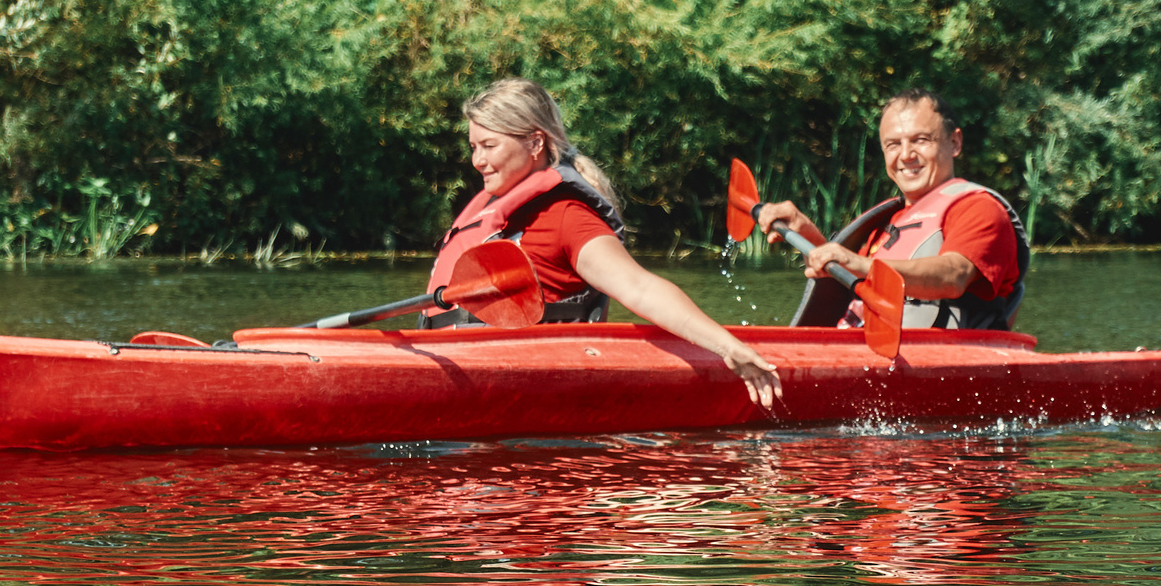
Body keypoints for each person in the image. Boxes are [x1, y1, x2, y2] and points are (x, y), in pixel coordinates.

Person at [424, 79, 781, 409]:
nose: (477, 160)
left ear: (535, 143)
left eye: (489, 146)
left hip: (516, 378)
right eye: (473, 147)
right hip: (453, 358)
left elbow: (638, 288)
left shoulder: (567, 216)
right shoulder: (493, 210)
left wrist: (727, 346)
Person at [754, 89, 1027, 331]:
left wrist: (861, 264)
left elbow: (953, 276)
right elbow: (846, 284)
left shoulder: (978, 208)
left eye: (921, 140)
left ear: (954, 143)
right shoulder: (888, 221)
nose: (906, 154)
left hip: (936, 362)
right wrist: (807, 233)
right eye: (893, 144)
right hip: (862, 353)